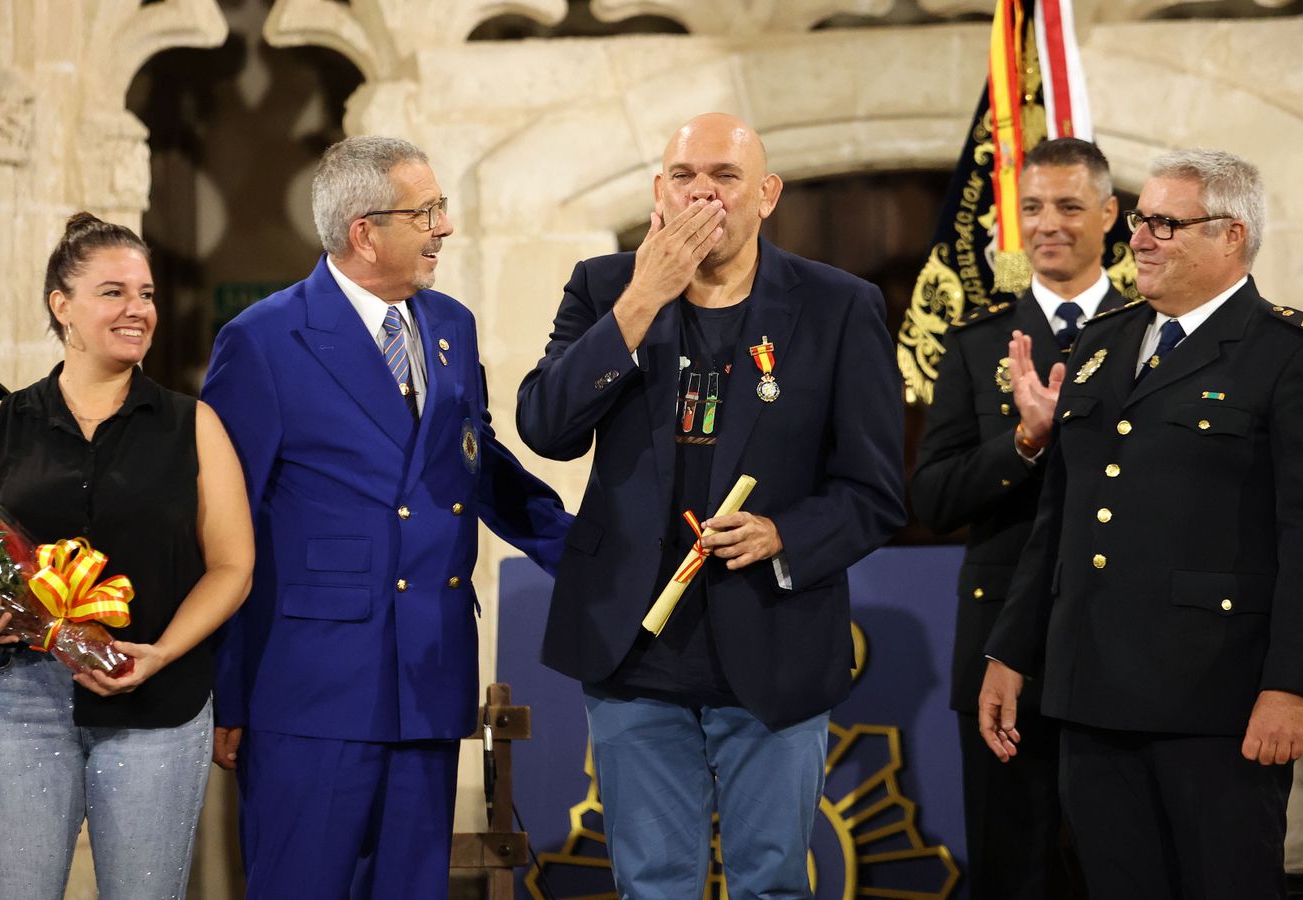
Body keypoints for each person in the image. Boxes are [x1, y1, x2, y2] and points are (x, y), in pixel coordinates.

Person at [517, 113, 905, 899]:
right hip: (632, 649)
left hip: (774, 640)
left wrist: (781, 534)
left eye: (725, 177)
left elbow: (875, 490)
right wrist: (641, 299)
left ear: (767, 195)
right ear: (659, 191)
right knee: (653, 883)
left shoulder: (838, 306)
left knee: (771, 885)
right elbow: (545, 428)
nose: (704, 193)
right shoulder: (603, 286)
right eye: (686, 176)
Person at [979, 149, 1303, 899]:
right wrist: (1010, 650)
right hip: (1091, 690)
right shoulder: (1101, 343)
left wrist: (1291, 687)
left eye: (1166, 223)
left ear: (1232, 235)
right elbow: (1060, 518)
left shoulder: (1296, 354)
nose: (1140, 238)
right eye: (1141, 219)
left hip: (1217, 700)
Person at [200, 135, 569, 899]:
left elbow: (473, 462)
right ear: (365, 231)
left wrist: (584, 547)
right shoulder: (264, 340)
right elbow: (220, 522)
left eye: (441, 208)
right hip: (310, 689)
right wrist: (227, 695)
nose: (444, 227)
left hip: (427, 676)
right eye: (426, 211)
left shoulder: (451, 326)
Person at [0, 212, 255, 899]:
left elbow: (233, 566)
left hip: (158, 701)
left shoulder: (194, 425)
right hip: (16, 699)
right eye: (114, 292)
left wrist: (162, 653)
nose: (138, 309)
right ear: (62, 306)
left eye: (146, 294)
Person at [911, 137, 1124, 898]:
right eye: (1032, 207)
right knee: (1013, 873)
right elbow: (931, 500)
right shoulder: (974, 348)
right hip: (1005, 647)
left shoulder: (1151, 339)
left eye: (1069, 206)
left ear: (1110, 214)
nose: (1049, 224)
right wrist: (1025, 440)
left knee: (1125, 868)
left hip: (1125, 643)